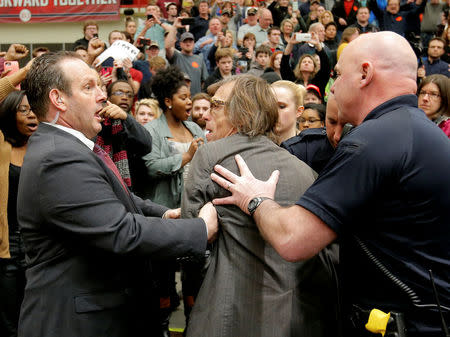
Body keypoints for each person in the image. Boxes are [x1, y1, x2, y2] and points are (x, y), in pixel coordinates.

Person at [209, 32, 450, 336]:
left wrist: (255, 199)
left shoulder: (373, 140)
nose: (332, 86)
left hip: (401, 325)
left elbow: (292, 239)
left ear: (365, 74)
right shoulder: (423, 133)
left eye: (337, 74)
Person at [17, 52, 217, 337]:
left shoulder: (69, 146)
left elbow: (114, 196)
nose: (102, 96)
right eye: (89, 87)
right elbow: (121, 231)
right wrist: (200, 229)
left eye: (100, 86)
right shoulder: (58, 157)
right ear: (58, 100)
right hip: (78, 323)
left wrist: (163, 213)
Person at [182, 75, 336, 337]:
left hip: (228, 313)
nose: (207, 115)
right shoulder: (305, 171)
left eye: (216, 105)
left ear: (240, 114)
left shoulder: (210, 156)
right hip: (295, 315)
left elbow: (191, 242)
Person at [141, 66, 205, 335]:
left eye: (190, 97)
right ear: (168, 101)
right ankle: (163, 327)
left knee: (193, 275)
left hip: (192, 211)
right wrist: (186, 157)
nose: (189, 102)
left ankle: (193, 324)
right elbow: (151, 166)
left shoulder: (193, 127)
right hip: (166, 212)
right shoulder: (152, 130)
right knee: (164, 277)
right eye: (183, 97)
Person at [0, 91, 39, 337]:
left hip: (40, 247)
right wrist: (21, 73)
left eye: (34, 108)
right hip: (8, 247)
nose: (32, 113)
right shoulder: (2, 146)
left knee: (36, 317)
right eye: (23, 109)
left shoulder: (46, 147)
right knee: (9, 321)